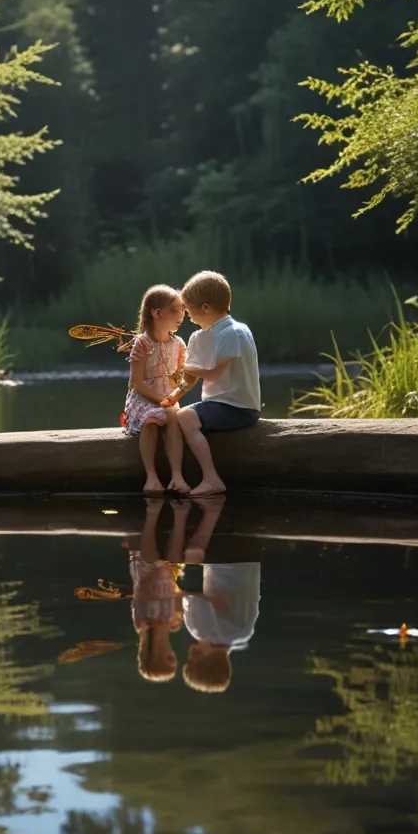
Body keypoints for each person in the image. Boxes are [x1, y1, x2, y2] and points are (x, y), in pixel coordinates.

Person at [160, 270, 261, 497]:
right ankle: (179, 476)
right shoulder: (199, 337)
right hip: (217, 404)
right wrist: (172, 397)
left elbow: (214, 374)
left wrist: (180, 367)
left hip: (239, 406)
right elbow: (191, 378)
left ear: (205, 308)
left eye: (188, 307)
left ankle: (212, 478)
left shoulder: (234, 332)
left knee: (186, 416)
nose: (185, 314)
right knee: (176, 413)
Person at [181, 501, 261, 693]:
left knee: (239, 512)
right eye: (191, 660)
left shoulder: (245, 633)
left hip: (251, 559)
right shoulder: (201, 631)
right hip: (220, 559)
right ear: (199, 659)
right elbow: (199, 600)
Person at [122, 284, 190, 495]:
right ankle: (151, 477)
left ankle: (177, 476)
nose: (182, 315)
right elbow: (137, 384)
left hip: (167, 399)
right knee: (152, 418)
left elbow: (181, 379)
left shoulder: (179, 344)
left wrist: (173, 396)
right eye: (175, 310)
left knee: (173, 416)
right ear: (156, 312)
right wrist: (160, 399)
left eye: (184, 310)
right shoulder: (142, 343)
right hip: (143, 398)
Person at [129, 498, 188, 682]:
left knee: (156, 564)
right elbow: (179, 594)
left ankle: (152, 513)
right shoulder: (172, 624)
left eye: (168, 662)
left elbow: (140, 591)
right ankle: (180, 515)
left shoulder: (143, 625)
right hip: (167, 577)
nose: (174, 658)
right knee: (172, 561)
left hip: (147, 573)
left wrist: (159, 576)